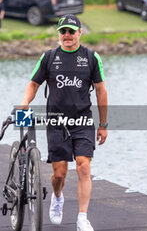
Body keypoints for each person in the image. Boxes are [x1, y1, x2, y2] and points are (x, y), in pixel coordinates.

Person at [20, 14, 108, 231]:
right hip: (56, 121)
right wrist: (24, 103)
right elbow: (33, 84)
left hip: (83, 120)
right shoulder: (49, 57)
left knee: (84, 167)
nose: (67, 35)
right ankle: (57, 196)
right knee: (59, 173)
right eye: (63, 31)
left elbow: (100, 90)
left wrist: (103, 124)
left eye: (71, 31)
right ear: (59, 34)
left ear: (80, 32)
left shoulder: (91, 57)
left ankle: (82, 218)